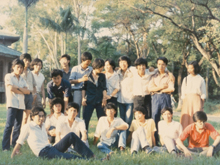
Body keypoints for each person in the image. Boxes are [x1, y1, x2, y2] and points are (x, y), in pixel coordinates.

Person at [11, 107, 95, 160]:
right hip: (44, 153)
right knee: (68, 156)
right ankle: (90, 160)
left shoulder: (43, 125)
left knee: (71, 135)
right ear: (32, 117)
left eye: (43, 116)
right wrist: (13, 154)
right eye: (39, 116)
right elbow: (19, 142)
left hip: (51, 148)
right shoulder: (28, 126)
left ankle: (91, 155)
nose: (41, 118)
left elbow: (45, 139)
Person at [2, 58, 30, 151]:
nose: (20, 69)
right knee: (9, 125)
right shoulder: (8, 76)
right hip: (12, 104)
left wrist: (17, 88)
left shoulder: (22, 79)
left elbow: (27, 91)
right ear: (13, 67)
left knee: (18, 126)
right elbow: (10, 88)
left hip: (21, 105)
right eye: (18, 67)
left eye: (21, 67)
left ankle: (14, 145)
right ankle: (5, 147)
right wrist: (21, 89)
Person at [148, 57, 175, 145]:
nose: (161, 66)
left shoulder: (169, 76)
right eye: (159, 64)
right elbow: (150, 88)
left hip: (165, 97)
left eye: (163, 64)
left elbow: (171, 88)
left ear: (166, 65)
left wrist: (159, 90)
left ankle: (167, 140)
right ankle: (156, 140)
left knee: (166, 117)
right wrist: (162, 87)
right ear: (157, 65)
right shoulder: (153, 75)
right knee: (155, 117)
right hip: (155, 98)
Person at [82, 58, 107, 131]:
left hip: (100, 101)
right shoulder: (87, 75)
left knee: (102, 120)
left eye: (102, 68)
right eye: (100, 68)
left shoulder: (102, 76)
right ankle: (84, 138)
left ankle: (103, 138)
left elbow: (104, 88)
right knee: (85, 120)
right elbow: (83, 88)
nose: (101, 69)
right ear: (95, 67)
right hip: (89, 101)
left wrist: (104, 98)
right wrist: (83, 98)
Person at [180, 61, 206, 130]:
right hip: (187, 101)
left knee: (196, 118)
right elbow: (183, 93)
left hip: (197, 101)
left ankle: (196, 138)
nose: (190, 70)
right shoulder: (185, 79)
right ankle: (186, 137)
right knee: (186, 119)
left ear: (196, 68)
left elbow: (203, 94)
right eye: (188, 68)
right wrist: (184, 103)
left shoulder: (200, 79)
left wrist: (202, 106)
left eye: (191, 68)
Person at [69, 52, 93, 117]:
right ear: (82, 60)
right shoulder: (75, 68)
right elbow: (70, 81)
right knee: (76, 109)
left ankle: (84, 125)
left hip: (87, 91)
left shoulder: (91, 69)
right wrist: (81, 80)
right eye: (87, 61)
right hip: (77, 91)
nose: (88, 63)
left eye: (90, 61)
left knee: (86, 111)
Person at [20, 53, 37, 126]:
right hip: (20, 95)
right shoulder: (18, 72)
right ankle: (15, 135)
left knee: (26, 117)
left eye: (29, 60)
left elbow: (34, 86)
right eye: (26, 60)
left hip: (30, 96)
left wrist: (34, 95)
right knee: (18, 117)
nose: (27, 62)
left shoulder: (31, 73)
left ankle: (23, 133)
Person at [117, 56, 134, 129]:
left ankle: (127, 138)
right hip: (120, 99)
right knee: (122, 119)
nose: (123, 64)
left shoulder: (132, 70)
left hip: (130, 99)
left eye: (124, 62)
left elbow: (143, 70)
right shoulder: (117, 72)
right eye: (121, 62)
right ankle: (123, 137)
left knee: (128, 120)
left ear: (128, 63)